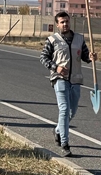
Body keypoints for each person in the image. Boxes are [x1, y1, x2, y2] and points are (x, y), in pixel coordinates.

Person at [39, 11, 96, 157]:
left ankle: (58, 130)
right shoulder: (52, 40)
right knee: (64, 109)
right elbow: (43, 58)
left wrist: (91, 57)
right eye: (62, 22)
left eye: (67, 21)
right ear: (57, 25)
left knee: (72, 111)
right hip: (59, 78)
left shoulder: (79, 39)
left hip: (76, 79)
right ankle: (65, 143)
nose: (65, 24)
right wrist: (55, 67)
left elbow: (85, 56)